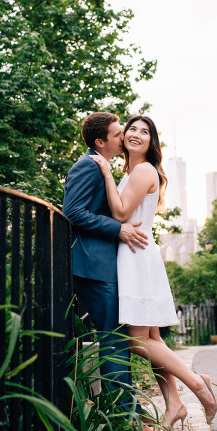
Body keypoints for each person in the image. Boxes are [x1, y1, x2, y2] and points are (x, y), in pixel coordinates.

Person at [89, 115, 217, 430]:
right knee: (153, 338)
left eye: (143, 132)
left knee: (137, 341)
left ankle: (198, 385)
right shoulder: (136, 171)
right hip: (139, 255)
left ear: (151, 142)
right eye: (131, 128)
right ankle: (174, 403)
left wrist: (105, 172)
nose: (134, 134)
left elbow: (120, 212)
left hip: (136, 258)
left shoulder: (144, 169)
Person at [61, 112, 149, 411]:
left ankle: (127, 412)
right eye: (117, 133)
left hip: (103, 265)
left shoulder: (105, 166)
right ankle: (127, 417)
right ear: (101, 142)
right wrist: (118, 228)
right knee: (113, 340)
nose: (123, 136)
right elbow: (72, 212)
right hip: (93, 266)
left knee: (116, 339)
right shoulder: (89, 165)